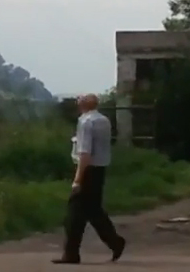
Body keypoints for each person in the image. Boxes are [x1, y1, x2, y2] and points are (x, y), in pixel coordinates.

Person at [52, 93, 126, 264]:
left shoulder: (85, 122)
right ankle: (114, 242)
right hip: (100, 169)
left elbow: (84, 153)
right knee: (93, 210)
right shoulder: (103, 120)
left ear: (83, 104)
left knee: (74, 213)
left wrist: (78, 179)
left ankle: (72, 253)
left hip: (87, 169)